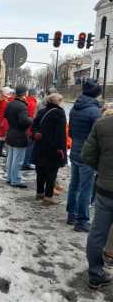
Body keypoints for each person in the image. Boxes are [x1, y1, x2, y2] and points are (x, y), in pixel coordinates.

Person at [81, 102, 113, 289]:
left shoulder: (102, 124)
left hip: (105, 189)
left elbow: (87, 155)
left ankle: (95, 273)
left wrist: (101, 170)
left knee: (98, 234)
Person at [67, 79, 102, 232]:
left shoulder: (76, 107)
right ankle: (82, 221)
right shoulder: (94, 111)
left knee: (74, 185)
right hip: (87, 155)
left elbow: (71, 131)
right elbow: (98, 136)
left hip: (75, 150)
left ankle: (71, 215)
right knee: (85, 188)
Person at [32, 93, 67, 204]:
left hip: (40, 146)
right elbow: (60, 133)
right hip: (53, 148)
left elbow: (33, 126)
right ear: (58, 102)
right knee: (51, 173)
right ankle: (48, 197)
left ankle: (39, 193)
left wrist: (36, 133)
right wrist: (60, 148)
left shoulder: (42, 111)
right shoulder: (60, 113)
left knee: (40, 171)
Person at [5, 85, 33, 188]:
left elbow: (6, 116)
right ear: (24, 93)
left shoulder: (10, 103)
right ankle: (16, 180)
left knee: (11, 158)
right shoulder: (22, 106)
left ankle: (9, 177)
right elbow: (24, 120)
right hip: (19, 135)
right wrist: (31, 120)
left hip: (11, 132)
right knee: (18, 160)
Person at [22, 88, 38, 170]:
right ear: (33, 94)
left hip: (25, 128)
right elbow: (32, 117)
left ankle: (26, 162)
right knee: (29, 147)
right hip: (30, 128)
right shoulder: (33, 103)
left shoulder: (27, 101)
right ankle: (26, 163)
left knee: (27, 147)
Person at [0, 87, 12, 157]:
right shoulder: (5, 102)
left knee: (2, 137)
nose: (11, 94)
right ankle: (0, 152)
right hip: (4, 121)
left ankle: (0, 151)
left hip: (2, 121)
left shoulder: (4, 100)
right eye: (10, 93)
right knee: (3, 137)